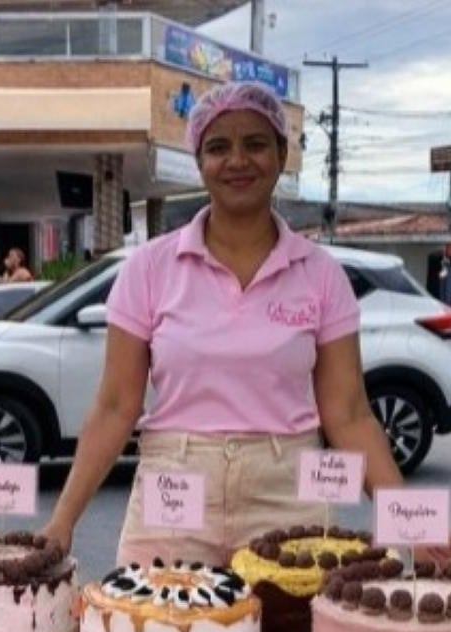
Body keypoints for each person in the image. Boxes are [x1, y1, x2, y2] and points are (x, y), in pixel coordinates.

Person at [41, 81, 404, 568]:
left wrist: (416, 529)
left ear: (281, 154)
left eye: (255, 144)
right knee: (157, 613)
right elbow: (114, 407)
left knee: (291, 615)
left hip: (287, 488)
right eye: (218, 147)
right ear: (199, 162)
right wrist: (62, 520)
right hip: (176, 484)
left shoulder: (321, 275)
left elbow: (351, 415)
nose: (237, 160)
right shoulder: (148, 268)